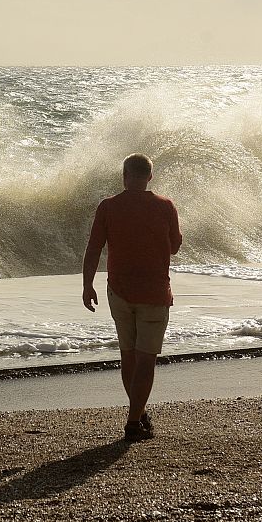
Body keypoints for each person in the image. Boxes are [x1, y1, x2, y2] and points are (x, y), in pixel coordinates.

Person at [82, 153, 182, 442]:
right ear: (149, 176)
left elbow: (93, 249)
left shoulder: (108, 207)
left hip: (119, 292)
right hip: (154, 293)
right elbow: (174, 247)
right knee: (146, 359)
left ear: (124, 175)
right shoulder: (165, 206)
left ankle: (137, 414)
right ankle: (133, 421)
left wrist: (87, 285)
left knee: (128, 356)